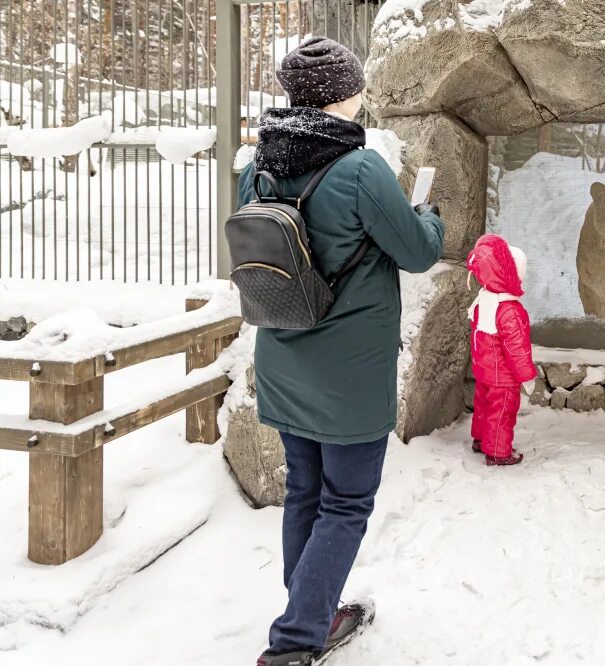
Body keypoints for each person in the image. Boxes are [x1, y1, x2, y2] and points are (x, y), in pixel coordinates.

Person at [237, 36, 445, 666]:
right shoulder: (359, 169)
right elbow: (417, 251)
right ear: (345, 94)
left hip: (282, 355)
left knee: (306, 492)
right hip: (348, 376)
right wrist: (428, 215)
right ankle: (298, 640)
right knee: (346, 502)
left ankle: (312, 610)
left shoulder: (257, 166)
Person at [466, 234, 538, 466]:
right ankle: (497, 452)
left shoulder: (484, 299)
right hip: (503, 377)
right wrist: (526, 376)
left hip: (484, 370)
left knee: (484, 407)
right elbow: (517, 349)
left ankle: (480, 440)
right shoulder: (511, 311)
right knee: (502, 412)